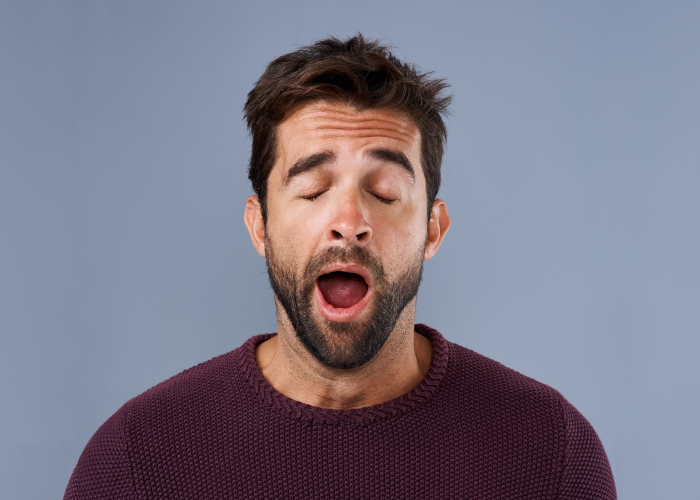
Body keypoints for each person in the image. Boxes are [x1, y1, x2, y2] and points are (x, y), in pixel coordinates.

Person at [64, 34, 616, 499]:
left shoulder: (552, 454)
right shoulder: (135, 461)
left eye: (384, 191)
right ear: (259, 228)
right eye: (312, 190)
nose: (349, 221)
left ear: (432, 229)